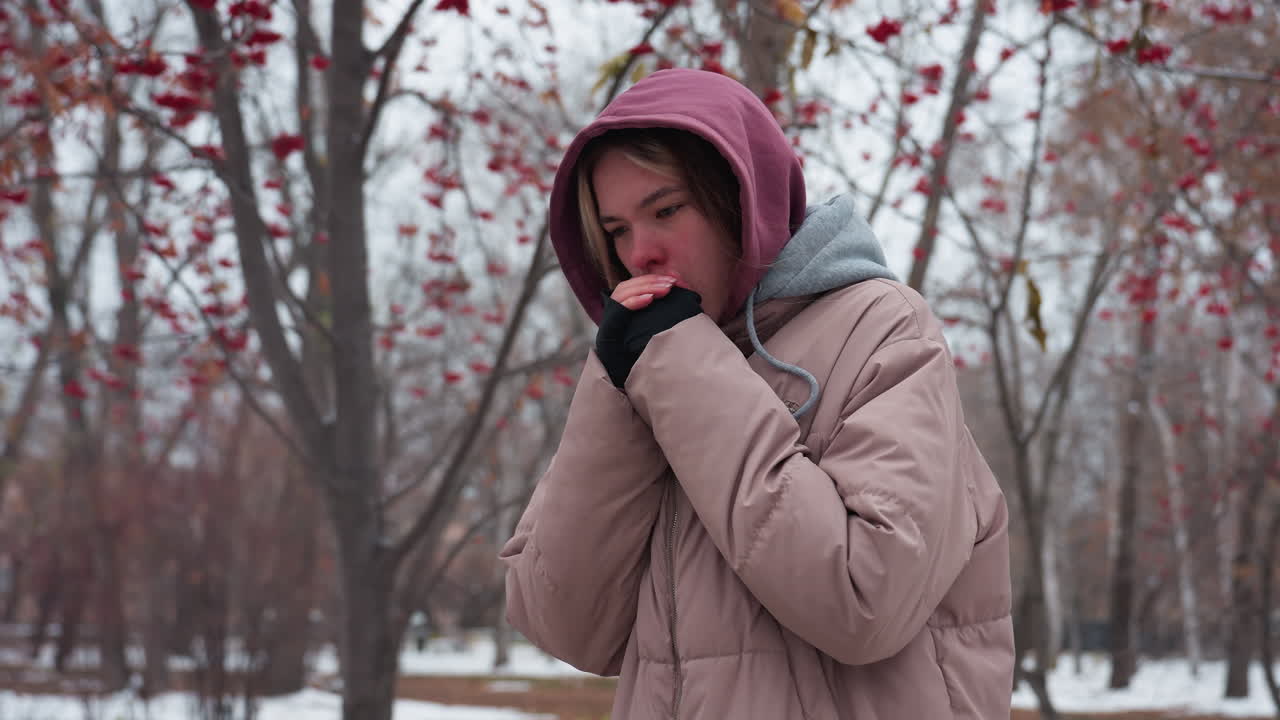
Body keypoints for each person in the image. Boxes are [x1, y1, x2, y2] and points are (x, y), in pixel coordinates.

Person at [500, 68, 1014, 719]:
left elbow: (865, 602)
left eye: (665, 210)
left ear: (740, 200)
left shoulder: (880, 326)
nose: (640, 254)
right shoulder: (650, 372)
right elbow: (566, 625)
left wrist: (681, 364)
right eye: (617, 230)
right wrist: (616, 384)